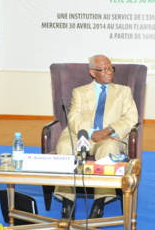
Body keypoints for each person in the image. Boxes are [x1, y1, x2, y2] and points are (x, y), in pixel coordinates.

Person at [54, 54, 138, 219]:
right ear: (92, 72)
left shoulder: (123, 91)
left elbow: (131, 118)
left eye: (110, 68)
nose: (109, 72)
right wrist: (92, 133)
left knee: (109, 148)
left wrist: (107, 130)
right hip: (80, 134)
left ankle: (99, 202)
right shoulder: (79, 92)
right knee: (65, 145)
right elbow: (74, 117)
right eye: (103, 69)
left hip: (110, 136)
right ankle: (67, 201)